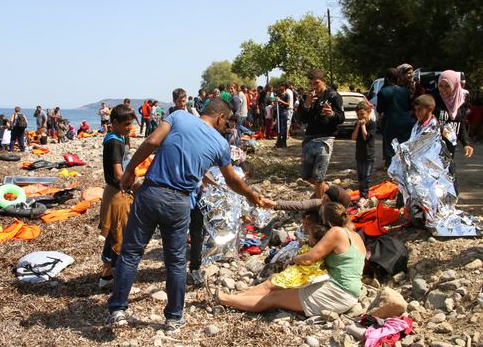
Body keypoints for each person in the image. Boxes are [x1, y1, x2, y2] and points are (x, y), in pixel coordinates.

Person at [107, 98, 266, 330]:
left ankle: (118, 310)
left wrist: (130, 170)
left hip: (151, 192)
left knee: (131, 253)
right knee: (176, 262)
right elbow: (232, 179)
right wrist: (250, 195)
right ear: (220, 117)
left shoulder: (179, 117)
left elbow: (152, 141)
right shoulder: (221, 144)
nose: (227, 126)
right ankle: (173, 318)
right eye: (226, 122)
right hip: (180, 202)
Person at [211, 202, 365, 316]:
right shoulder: (356, 236)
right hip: (349, 293)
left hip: (337, 293)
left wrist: (294, 259)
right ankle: (235, 299)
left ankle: (223, 299)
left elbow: (309, 259)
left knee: (273, 298)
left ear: (329, 222)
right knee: (275, 283)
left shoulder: (337, 232)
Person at [99, 104, 136, 290]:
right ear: (115, 123)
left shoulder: (115, 137)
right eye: (127, 124)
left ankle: (106, 276)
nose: (130, 127)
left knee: (113, 235)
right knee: (119, 238)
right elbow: (118, 174)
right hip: (117, 195)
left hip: (113, 192)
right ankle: (116, 278)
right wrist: (136, 185)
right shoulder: (114, 142)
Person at [298, 69, 344, 198]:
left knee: (318, 177)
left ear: (323, 81)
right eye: (311, 84)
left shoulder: (333, 96)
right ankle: (331, 190)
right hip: (309, 140)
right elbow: (301, 119)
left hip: (325, 140)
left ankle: (319, 207)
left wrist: (332, 114)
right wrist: (306, 105)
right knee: (306, 175)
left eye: (316, 83)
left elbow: (341, 117)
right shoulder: (309, 97)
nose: (314, 87)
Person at [377, 68, 414, 168]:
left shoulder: (383, 91)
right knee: (404, 145)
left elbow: (380, 109)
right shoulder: (404, 90)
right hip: (406, 121)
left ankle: (391, 167)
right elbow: (409, 105)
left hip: (391, 122)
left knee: (390, 147)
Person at [433, 70, 474, 159]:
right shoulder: (434, 100)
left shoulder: (460, 102)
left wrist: (466, 144)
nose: (443, 90)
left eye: (447, 86)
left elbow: (460, 124)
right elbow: (427, 121)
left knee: (449, 171)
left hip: (450, 146)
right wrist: (441, 128)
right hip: (434, 148)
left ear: (455, 85)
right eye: (440, 85)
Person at [351, 101, 376, 207]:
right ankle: (361, 195)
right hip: (359, 154)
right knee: (360, 176)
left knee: (366, 176)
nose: (360, 117)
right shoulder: (357, 123)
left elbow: (366, 137)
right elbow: (353, 137)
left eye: (362, 114)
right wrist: (358, 126)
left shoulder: (372, 124)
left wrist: (363, 126)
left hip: (368, 154)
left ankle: (365, 196)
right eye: (358, 114)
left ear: (368, 112)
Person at [275, 82, 290, 148]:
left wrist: (280, 101)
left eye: (281, 86)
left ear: (284, 87)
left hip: (284, 112)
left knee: (283, 128)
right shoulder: (278, 94)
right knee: (278, 127)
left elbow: (288, 104)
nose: (279, 87)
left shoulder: (286, 95)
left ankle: (283, 143)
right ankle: (278, 143)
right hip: (279, 112)